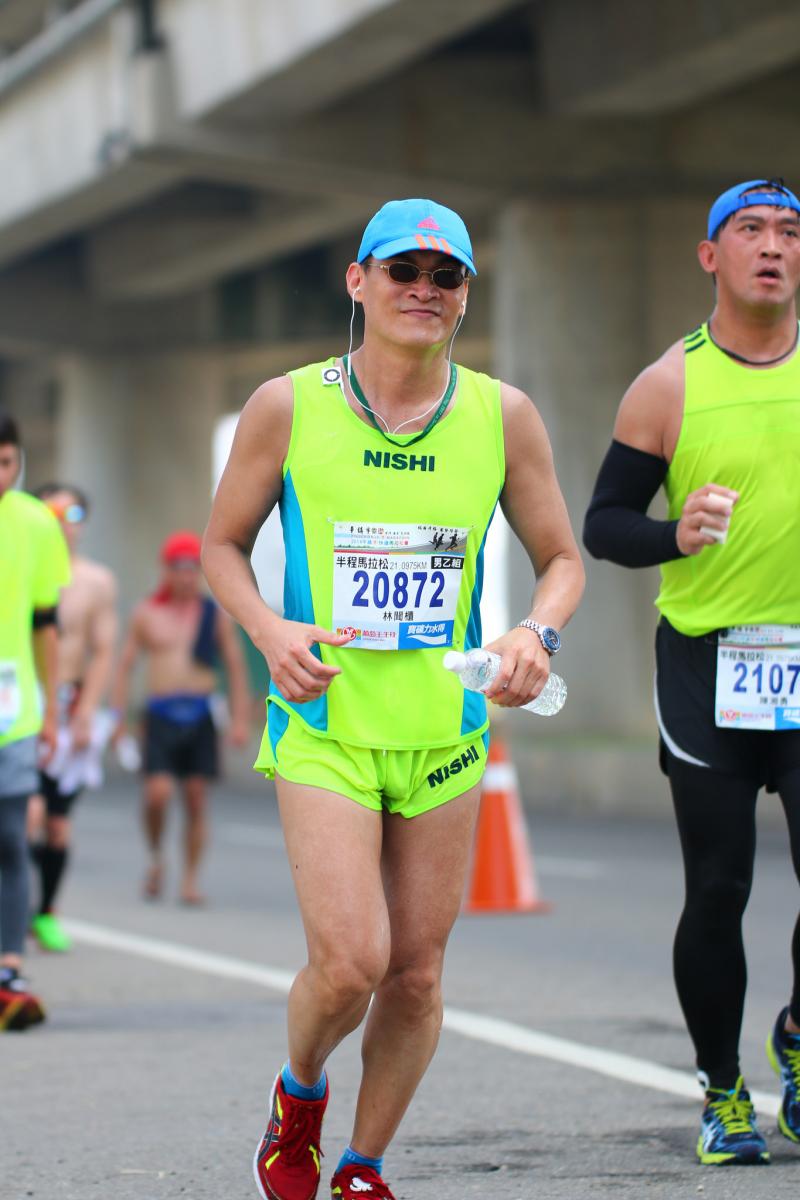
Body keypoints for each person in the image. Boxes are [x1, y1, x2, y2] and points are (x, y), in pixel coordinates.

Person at [202, 198, 584, 1200]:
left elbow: (561, 561)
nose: (423, 289)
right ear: (357, 281)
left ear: (465, 295)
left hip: (444, 729)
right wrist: (270, 630)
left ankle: (362, 1167)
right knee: (350, 964)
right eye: (402, 270)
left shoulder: (501, 415)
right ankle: (299, 1094)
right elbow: (221, 547)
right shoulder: (288, 405)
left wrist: (534, 634)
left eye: (445, 275)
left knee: (414, 972)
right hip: (324, 720)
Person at [583, 178, 800, 1165]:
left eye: (788, 231)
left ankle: (796, 1041)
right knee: (719, 885)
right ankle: (722, 1091)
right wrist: (675, 533)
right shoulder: (666, 385)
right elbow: (604, 525)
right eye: (750, 230)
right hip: (709, 665)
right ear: (711, 255)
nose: (772, 246)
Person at [112, 530, 251, 904]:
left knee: (195, 797)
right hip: (160, 714)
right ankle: (156, 856)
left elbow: (236, 666)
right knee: (157, 794)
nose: (187, 576)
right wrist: (118, 720)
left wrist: (239, 719)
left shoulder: (212, 615)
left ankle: (190, 879)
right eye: (179, 568)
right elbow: (125, 667)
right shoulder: (147, 613)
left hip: (200, 713)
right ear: (167, 570)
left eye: (193, 568)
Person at [25, 483, 118, 953]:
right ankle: (17, 906)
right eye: (53, 512)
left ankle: (45, 911)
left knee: (57, 823)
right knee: (27, 814)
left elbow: (102, 650)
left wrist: (86, 710)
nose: (64, 523)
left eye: (74, 513)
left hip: (70, 705)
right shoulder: (18, 570)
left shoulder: (96, 582)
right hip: (23, 704)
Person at [0, 412, 70, 1029]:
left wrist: (50, 708)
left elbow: (46, 623)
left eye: (6, 462)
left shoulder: (36, 522)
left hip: (14, 710)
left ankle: (9, 968)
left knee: (11, 838)